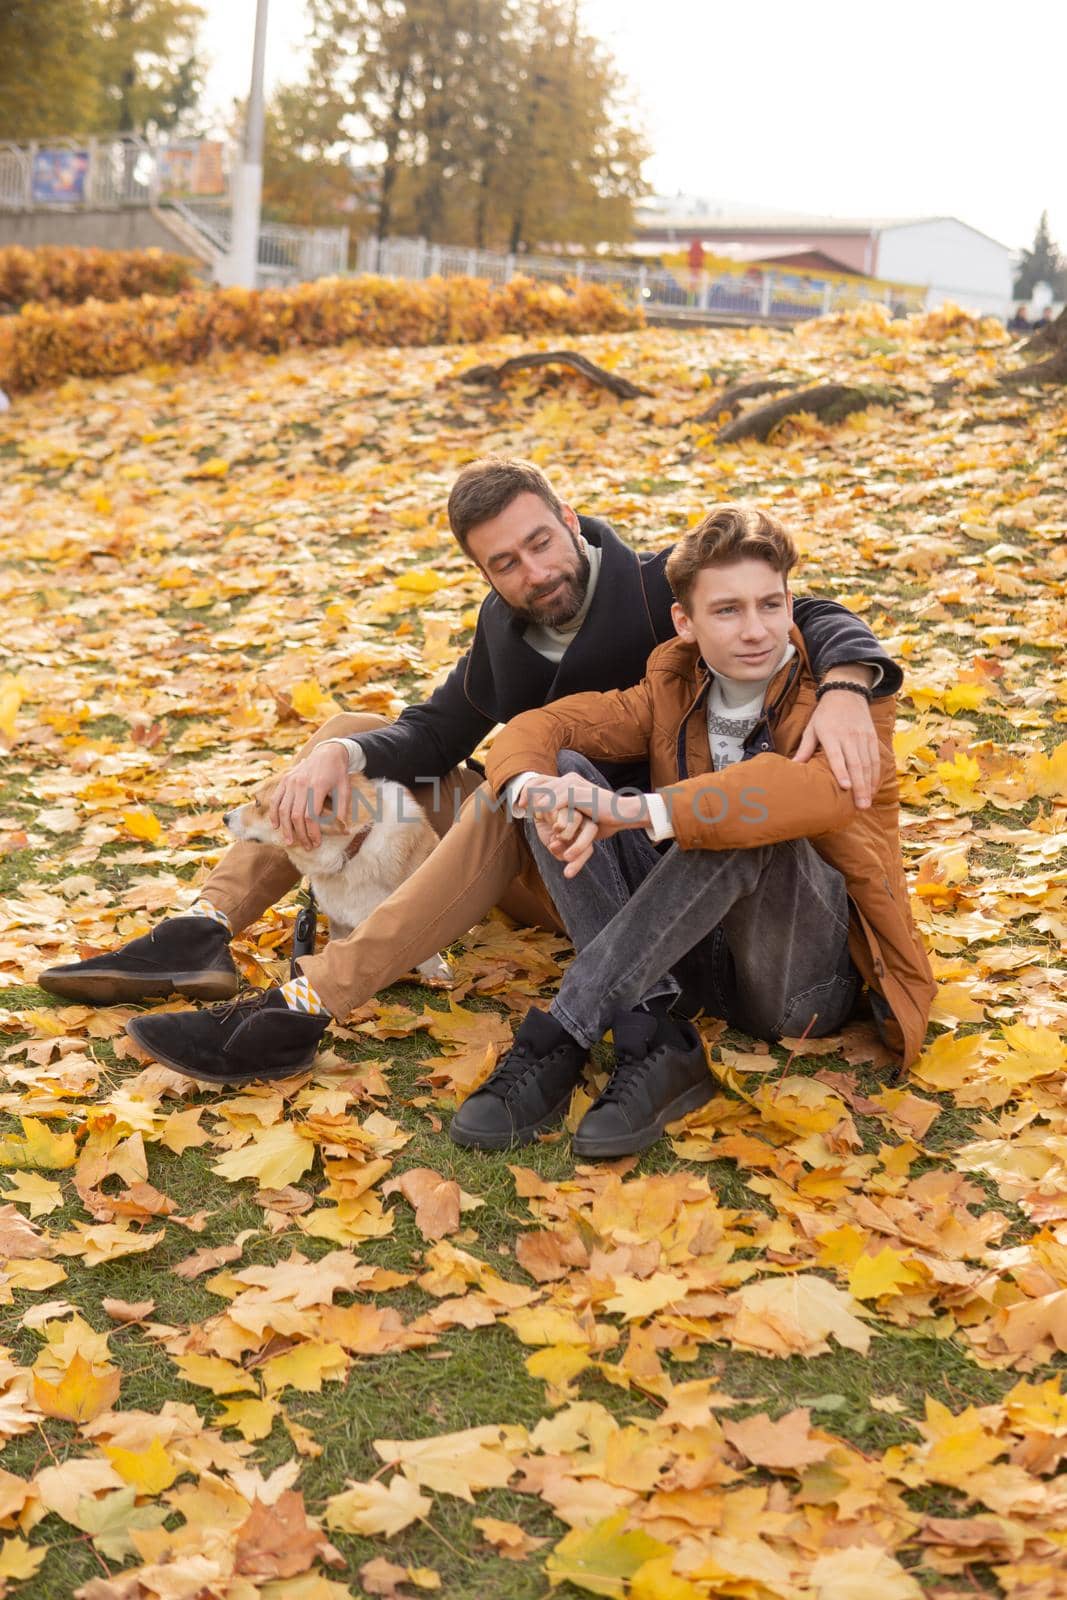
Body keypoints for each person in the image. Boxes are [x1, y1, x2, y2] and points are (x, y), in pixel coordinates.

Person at [39, 460, 901, 1086]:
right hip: (563, 835)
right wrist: (345, 755)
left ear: (569, 519)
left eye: (539, 544)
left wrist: (847, 680)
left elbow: (802, 606)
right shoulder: (509, 630)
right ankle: (201, 927)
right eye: (505, 564)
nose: (534, 573)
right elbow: (444, 727)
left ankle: (312, 1002)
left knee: (505, 792)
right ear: (483, 573)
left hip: (638, 860)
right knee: (347, 734)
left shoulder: (657, 594)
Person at [450, 503, 933, 1159]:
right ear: (686, 621)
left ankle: (567, 1029)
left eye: (769, 604)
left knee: (748, 813)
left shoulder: (844, 694)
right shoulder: (672, 684)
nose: (756, 629)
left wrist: (636, 810)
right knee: (562, 777)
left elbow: (814, 794)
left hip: (796, 984)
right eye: (727, 610)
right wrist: (542, 792)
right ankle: (650, 1028)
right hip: (686, 950)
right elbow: (538, 732)